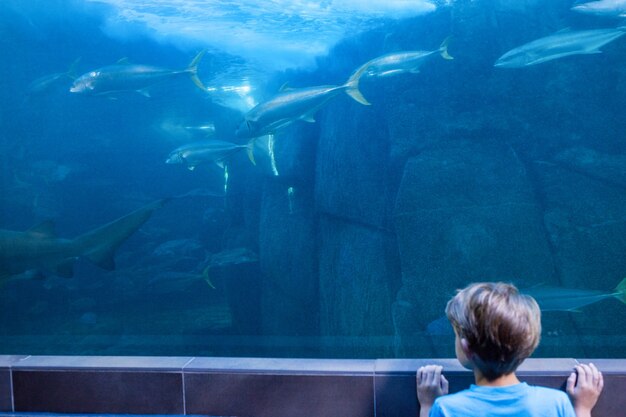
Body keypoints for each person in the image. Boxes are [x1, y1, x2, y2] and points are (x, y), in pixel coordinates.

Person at [416, 282, 604, 417]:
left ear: (466, 347)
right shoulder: (555, 403)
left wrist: (428, 405)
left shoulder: (447, 408)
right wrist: (582, 409)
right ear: (529, 346)